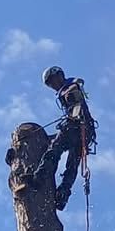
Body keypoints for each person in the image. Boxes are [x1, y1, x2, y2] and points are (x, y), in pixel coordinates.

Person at [33, 66, 97, 209]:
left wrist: (71, 92)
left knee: (54, 151)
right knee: (71, 166)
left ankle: (39, 178)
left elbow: (77, 85)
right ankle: (62, 196)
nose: (53, 86)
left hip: (75, 126)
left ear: (59, 76)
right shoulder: (65, 89)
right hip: (84, 132)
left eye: (52, 81)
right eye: (49, 84)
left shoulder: (69, 85)